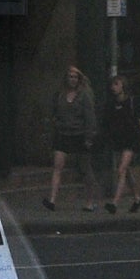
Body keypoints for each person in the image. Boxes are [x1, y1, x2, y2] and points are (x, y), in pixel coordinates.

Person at [45, 64, 98, 211]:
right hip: (63, 134)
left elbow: (90, 117)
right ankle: (52, 200)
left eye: (75, 77)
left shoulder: (84, 95)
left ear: (79, 79)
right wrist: (55, 122)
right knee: (58, 166)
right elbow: (54, 111)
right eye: (70, 77)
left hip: (79, 134)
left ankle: (89, 201)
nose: (73, 79)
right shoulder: (61, 94)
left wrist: (89, 137)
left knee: (85, 168)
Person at [100, 72, 140, 215]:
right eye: (112, 85)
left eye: (117, 84)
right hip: (119, 140)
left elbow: (137, 121)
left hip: (131, 141)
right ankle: (137, 198)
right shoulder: (112, 104)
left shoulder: (130, 102)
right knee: (126, 171)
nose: (113, 87)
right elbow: (109, 122)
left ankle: (115, 203)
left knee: (121, 170)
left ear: (123, 86)